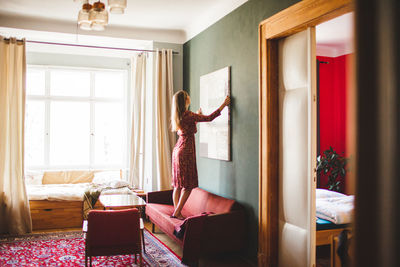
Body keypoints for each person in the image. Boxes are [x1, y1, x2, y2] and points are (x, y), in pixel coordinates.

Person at [170, 90, 230, 219]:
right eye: (187, 96)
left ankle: (177, 211)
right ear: (185, 100)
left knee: (178, 185)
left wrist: (196, 117)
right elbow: (209, 118)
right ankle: (177, 212)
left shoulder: (179, 115)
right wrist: (224, 104)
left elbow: (189, 125)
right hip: (186, 150)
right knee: (188, 185)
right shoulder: (188, 115)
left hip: (177, 150)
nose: (189, 97)